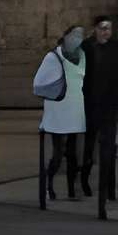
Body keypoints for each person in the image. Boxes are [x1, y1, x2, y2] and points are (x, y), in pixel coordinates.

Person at [82, 12, 118, 202]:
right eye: (102, 28)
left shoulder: (116, 48)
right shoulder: (86, 47)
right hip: (90, 105)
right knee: (88, 147)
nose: (105, 32)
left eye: (108, 29)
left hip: (109, 105)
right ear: (95, 29)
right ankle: (85, 181)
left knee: (109, 149)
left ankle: (109, 188)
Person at [35, 22, 88, 197]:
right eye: (74, 34)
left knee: (73, 155)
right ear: (66, 36)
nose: (77, 38)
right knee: (58, 155)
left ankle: (72, 190)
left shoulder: (82, 56)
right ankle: (49, 185)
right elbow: (39, 84)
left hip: (76, 112)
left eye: (80, 35)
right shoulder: (53, 57)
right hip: (58, 113)